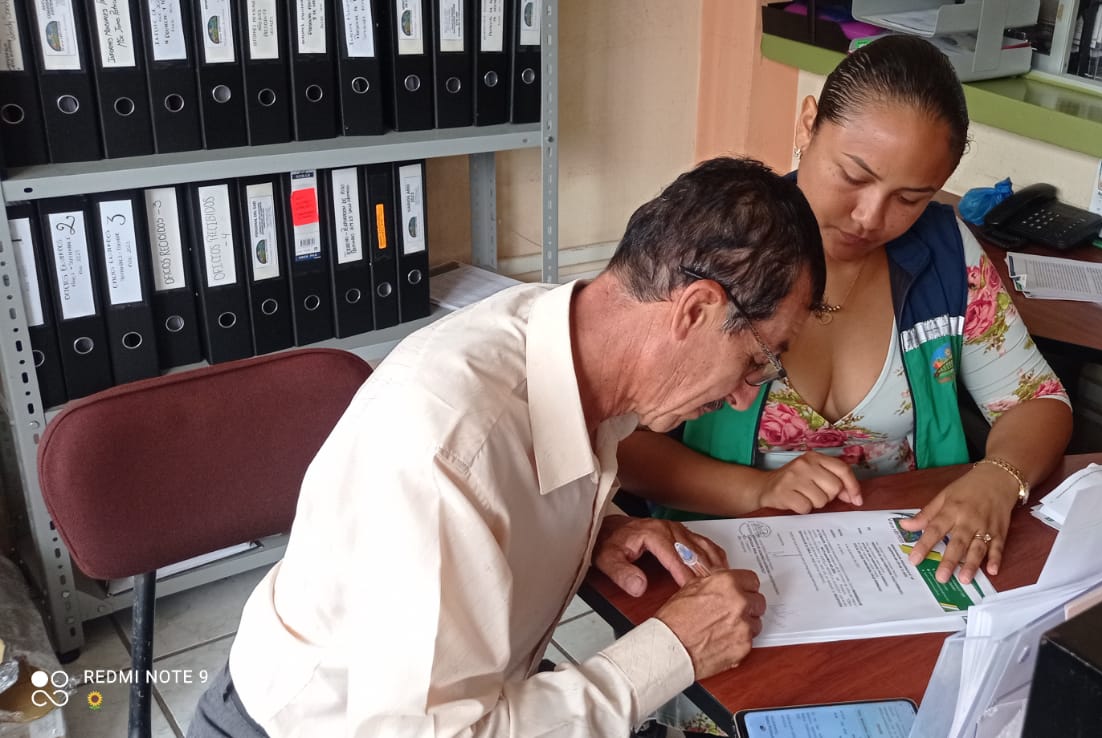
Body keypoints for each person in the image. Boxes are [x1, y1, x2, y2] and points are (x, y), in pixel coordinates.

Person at [188, 157, 827, 737]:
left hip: (467, 689)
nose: (744, 396)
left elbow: (513, 484)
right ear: (694, 310)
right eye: (757, 359)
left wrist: (596, 526)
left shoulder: (573, 336)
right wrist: (672, 650)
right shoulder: (446, 451)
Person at [618, 36, 1075, 587]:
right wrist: (757, 490)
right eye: (854, 176)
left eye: (910, 198)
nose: (870, 217)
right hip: (722, 554)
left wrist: (998, 478)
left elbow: (1038, 401)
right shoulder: (715, 242)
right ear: (807, 125)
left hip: (901, 559)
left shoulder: (945, 255)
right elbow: (617, 440)